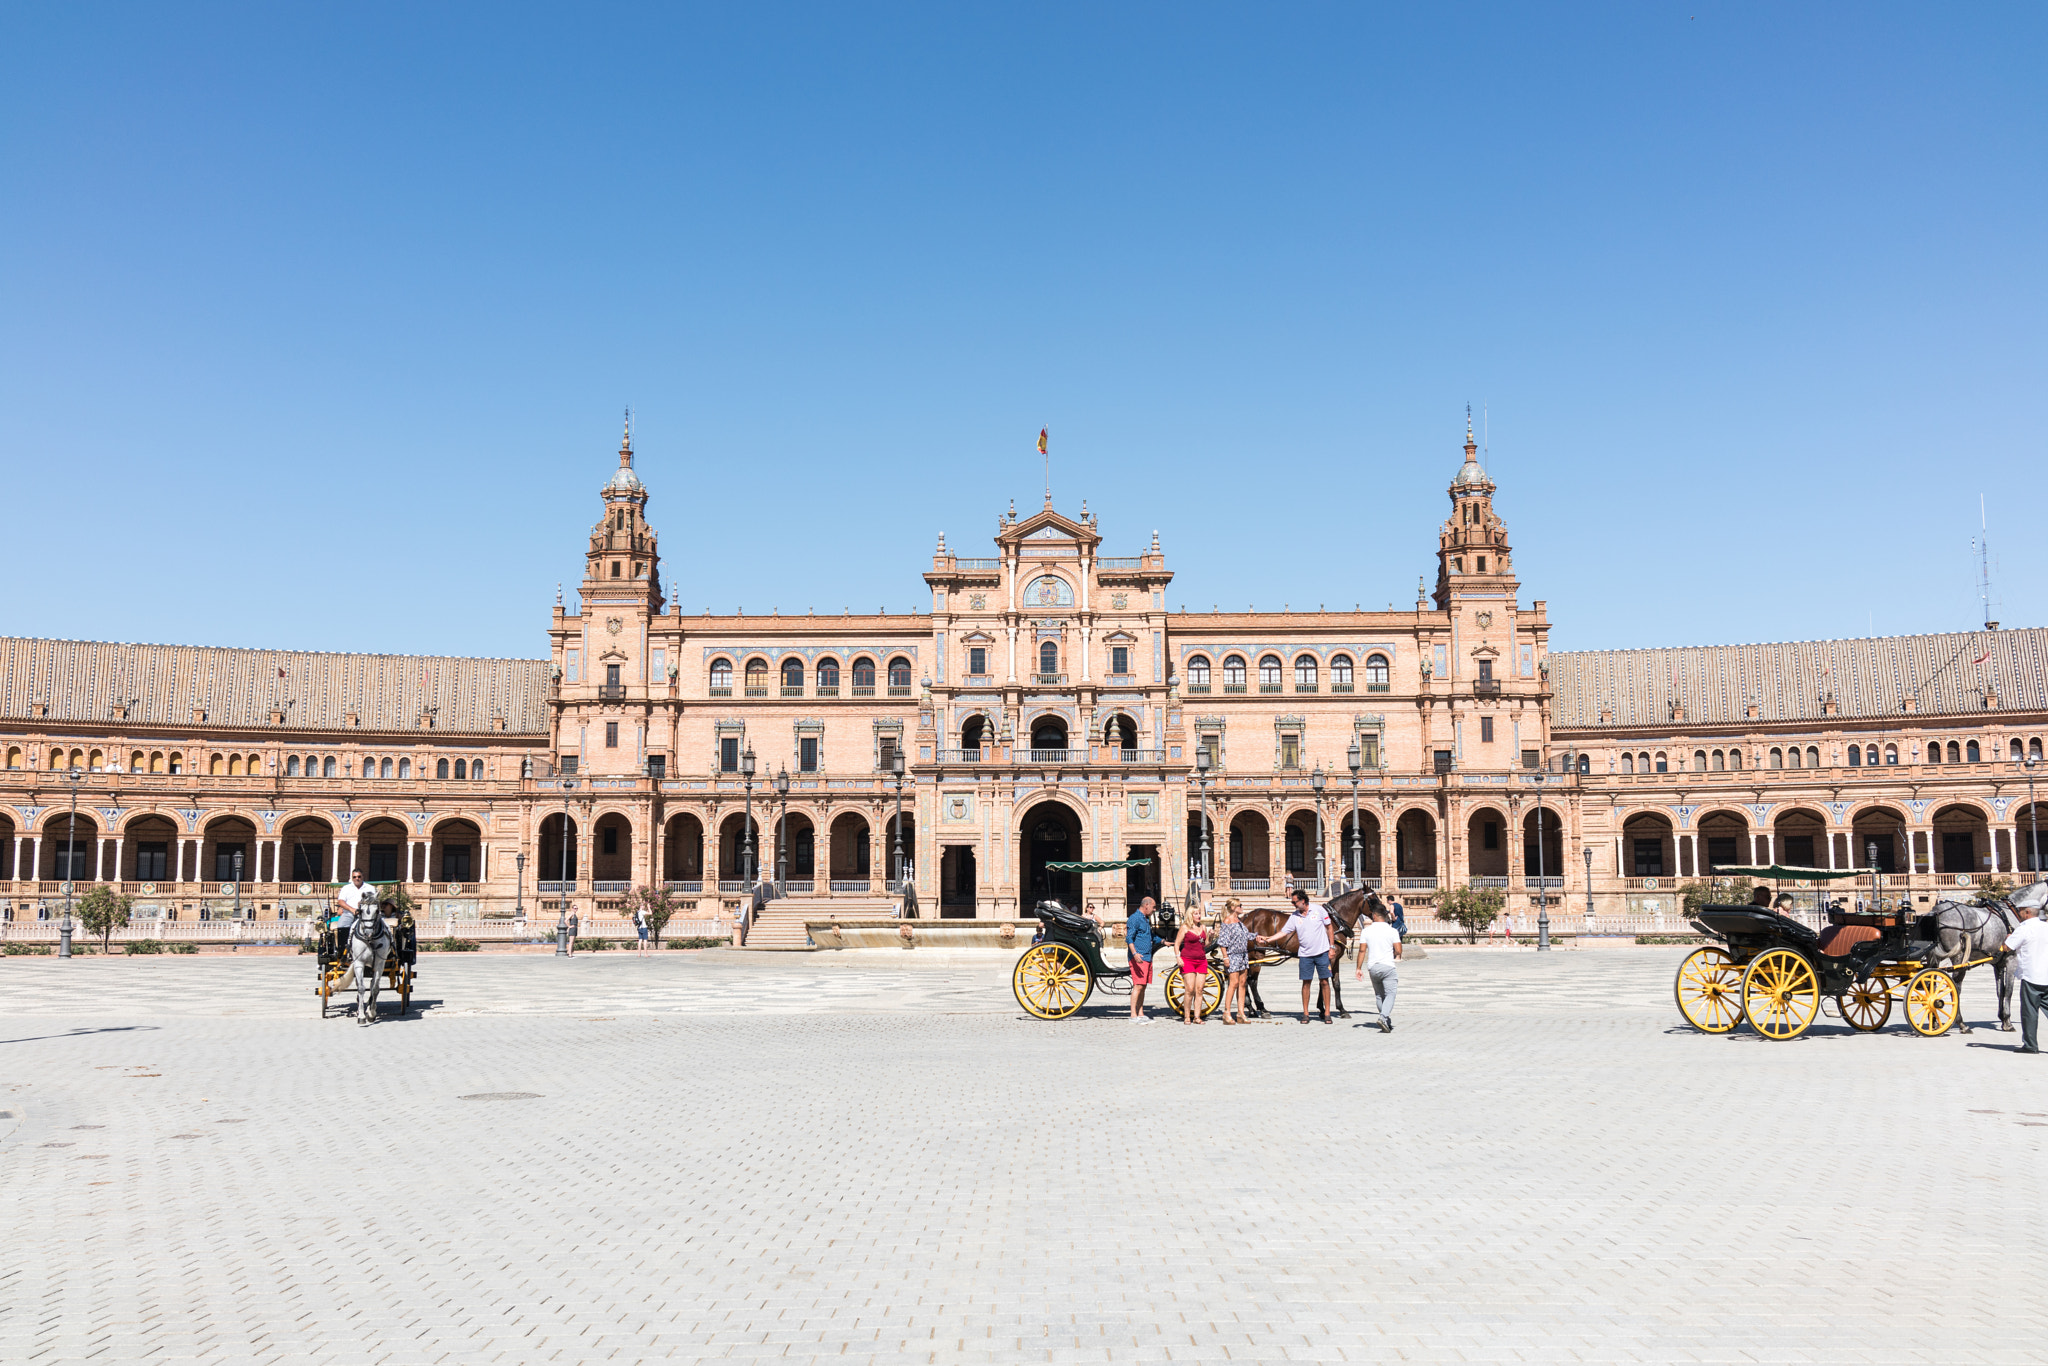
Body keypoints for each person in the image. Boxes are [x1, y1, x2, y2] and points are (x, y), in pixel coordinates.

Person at [1259, 887, 1334, 1024]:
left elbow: (1329, 927)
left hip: (1322, 952)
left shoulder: (1318, 910)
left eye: (1295, 902)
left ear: (1303, 901)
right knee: (1306, 983)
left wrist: (1332, 946)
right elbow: (1284, 932)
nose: (1293, 905)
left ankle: (1327, 1012)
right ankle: (1306, 1013)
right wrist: (1268, 939)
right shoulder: (1294, 916)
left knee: (1324, 982)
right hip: (1305, 954)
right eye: (1292, 903)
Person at [2004, 899, 2048, 1054]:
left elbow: (2007, 947)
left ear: (2028, 912)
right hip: (2046, 975)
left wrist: (2008, 939)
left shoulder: (2024, 929)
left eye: (2021, 911)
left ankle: (2030, 1045)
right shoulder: (2046, 926)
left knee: (2029, 1012)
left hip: (2032, 977)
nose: (2019, 914)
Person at [1356, 905, 1403, 1032]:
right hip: (1388, 966)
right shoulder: (1392, 931)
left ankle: (1386, 1021)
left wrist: (1358, 968)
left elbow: (1362, 951)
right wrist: (1396, 954)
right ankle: (1383, 1017)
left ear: (1375, 916)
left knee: (1379, 995)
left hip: (1372, 967)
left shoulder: (1366, 931)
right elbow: (1398, 950)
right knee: (1390, 993)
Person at [1216, 899, 1252, 1024]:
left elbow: (1246, 936)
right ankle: (1226, 1013)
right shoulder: (1227, 921)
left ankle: (1240, 1012)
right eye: (1239, 905)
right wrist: (1225, 957)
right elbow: (1222, 942)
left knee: (1242, 983)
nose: (1242, 907)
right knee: (1234, 983)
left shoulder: (1239, 921)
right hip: (1233, 956)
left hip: (1243, 955)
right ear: (1233, 907)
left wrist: (1258, 937)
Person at [1174, 904, 1211, 1024]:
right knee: (1189, 989)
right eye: (1196, 913)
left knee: (1199, 989)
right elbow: (1177, 944)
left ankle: (1197, 1017)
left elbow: (1205, 945)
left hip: (1201, 960)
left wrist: (1210, 936)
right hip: (1188, 960)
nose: (1199, 915)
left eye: (1199, 913)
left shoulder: (1203, 927)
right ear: (1191, 915)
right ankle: (1187, 1016)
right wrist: (1177, 957)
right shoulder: (1185, 928)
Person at [1126, 896, 1158, 1022]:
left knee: (1143, 986)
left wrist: (1164, 941)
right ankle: (1133, 1015)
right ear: (1146, 906)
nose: (1155, 909)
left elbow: (1149, 936)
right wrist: (1134, 954)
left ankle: (1140, 1013)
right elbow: (1129, 938)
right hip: (1139, 957)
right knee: (1138, 985)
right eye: (1153, 907)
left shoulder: (1146, 919)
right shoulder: (1134, 918)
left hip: (1147, 956)